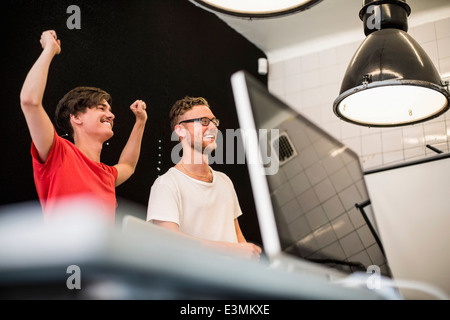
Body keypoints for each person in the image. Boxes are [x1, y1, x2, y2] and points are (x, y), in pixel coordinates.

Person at [20, 30, 148, 223]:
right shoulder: (58, 152)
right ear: (76, 118)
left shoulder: (107, 174)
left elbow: (128, 165)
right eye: (100, 108)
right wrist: (49, 50)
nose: (111, 115)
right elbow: (29, 101)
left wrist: (140, 122)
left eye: (110, 109)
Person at [146, 96, 261, 260]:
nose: (213, 127)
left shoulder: (224, 181)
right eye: (204, 121)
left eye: (214, 121)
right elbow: (168, 241)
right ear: (180, 130)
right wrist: (229, 250)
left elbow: (237, 237)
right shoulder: (167, 184)